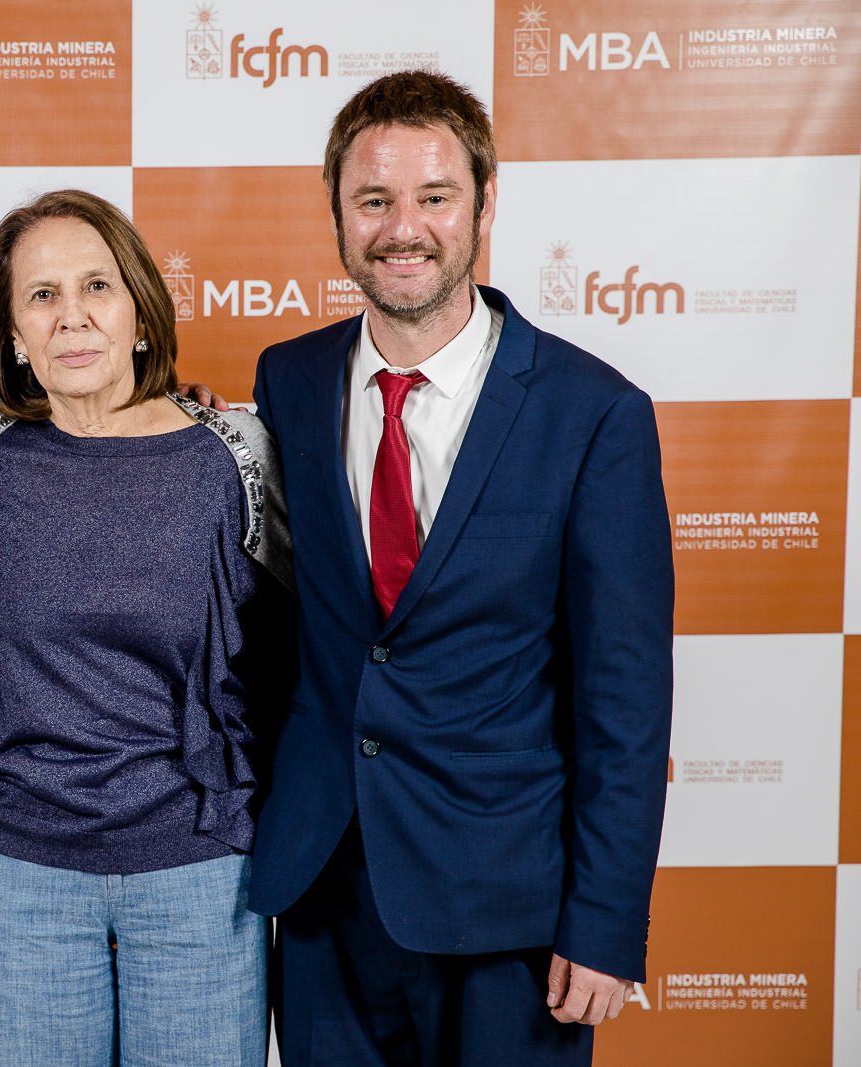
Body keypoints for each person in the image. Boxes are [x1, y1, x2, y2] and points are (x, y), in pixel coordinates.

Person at [248, 70, 673, 1065]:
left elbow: (624, 695)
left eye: (434, 196)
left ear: (484, 206)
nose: (403, 228)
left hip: (509, 912)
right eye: (373, 199)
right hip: (323, 892)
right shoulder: (287, 379)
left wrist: (606, 920)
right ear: (336, 215)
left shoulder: (593, 412)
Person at [0, 189, 292, 1066]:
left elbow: (294, 654)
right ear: (11, 333)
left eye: (97, 285)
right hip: (18, 875)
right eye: (42, 295)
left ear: (139, 309)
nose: (72, 316)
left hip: (200, 870)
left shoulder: (236, 454)